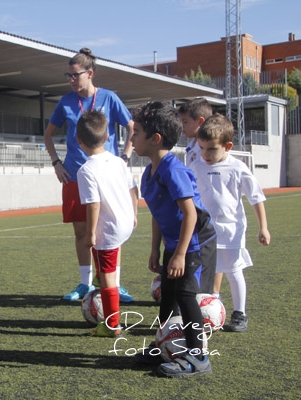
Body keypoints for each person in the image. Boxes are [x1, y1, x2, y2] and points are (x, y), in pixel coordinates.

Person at [130, 101, 216, 378]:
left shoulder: (173, 170)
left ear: (155, 139)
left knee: (185, 294)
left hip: (194, 241)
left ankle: (199, 357)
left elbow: (189, 214)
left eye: (137, 132)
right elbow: (157, 213)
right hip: (175, 243)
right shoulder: (148, 173)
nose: (131, 137)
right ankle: (163, 346)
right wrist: (156, 249)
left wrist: (179, 254)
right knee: (168, 294)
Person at [43, 47, 135, 303]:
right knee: (82, 233)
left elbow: (130, 126)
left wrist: (125, 156)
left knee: (110, 230)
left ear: (90, 73)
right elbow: (48, 135)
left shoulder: (109, 98)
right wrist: (56, 163)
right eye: (68, 76)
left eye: (75, 75)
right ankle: (85, 283)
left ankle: (113, 282)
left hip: (106, 175)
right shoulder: (66, 102)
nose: (71, 80)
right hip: (74, 175)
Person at [190, 114, 270, 332]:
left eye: (211, 149)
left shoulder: (238, 168)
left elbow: (256, 197)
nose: (205, 154)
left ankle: (239, 313)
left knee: (234, 271)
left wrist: (263, 227)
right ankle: (210, 310)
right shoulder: (196, 164)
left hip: (232, 230)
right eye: (202, 148)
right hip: (204, 231)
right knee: (208, 270)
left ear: (227, 146)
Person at [75, 111, 138, 338]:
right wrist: (134, 213)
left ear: (78, 140)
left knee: (109, 278)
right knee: (105, 266)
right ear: (107, 136)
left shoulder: (86, 170)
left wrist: (90, 234)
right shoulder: (118, 161)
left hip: (109, 229)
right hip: (124, 223)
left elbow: (93, 204)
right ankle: (100, 276)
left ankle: (112, 326)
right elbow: (133, 188)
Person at [179, 98, 213, 166]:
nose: (182, 126)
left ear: (200, 121)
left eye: (185, 122)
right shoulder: (191, 146)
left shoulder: (211, 148)